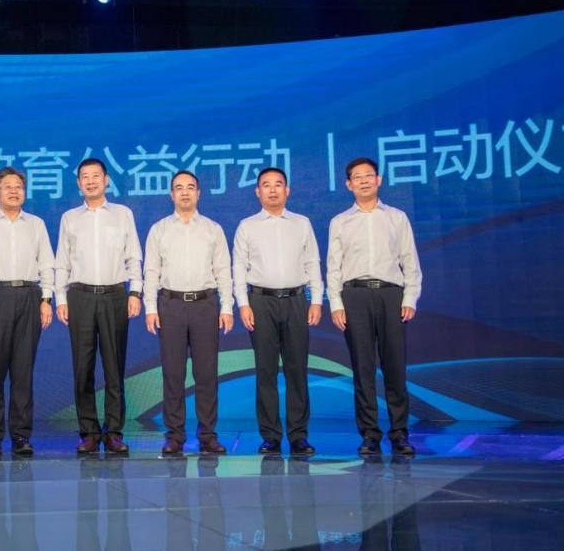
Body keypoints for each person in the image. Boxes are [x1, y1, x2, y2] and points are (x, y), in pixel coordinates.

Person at [327, 157, 422, 456]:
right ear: (349, 185)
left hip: (390, 295)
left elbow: (410, 260)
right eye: (358, 177)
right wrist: (336, 303)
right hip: (354, 296)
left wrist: (410, 297)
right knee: (363, 368)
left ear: (379, 180)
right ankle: (369, 434)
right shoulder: (340, 221)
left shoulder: (396, 217)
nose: (364, 181)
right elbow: (333, 267)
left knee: (395, 367)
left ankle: (399, 433)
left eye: (369, 175)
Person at [0, 167, 55, 457]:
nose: (14, 191)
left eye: (19, 186)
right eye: (8, 187)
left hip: (29, 295)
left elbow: (46, 264)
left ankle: (21, 435)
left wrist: (46, 299)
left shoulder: (36, 224)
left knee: (23, 370)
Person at [143, 170, 234, 456]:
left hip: (205, 305)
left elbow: (223, 270)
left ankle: (208, 435)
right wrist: (150, 308)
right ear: (171, 194)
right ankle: (174, 435)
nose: (185, 192)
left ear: (199, 193)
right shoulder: (159, 229)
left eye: (190, 187)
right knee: (173, 373)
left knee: (206, 373)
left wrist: (227, 306)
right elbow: (151, 271)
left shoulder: (212, 229)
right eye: (179, 188)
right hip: (170, 305)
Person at [232, 167, 322, 456]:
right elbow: (238, 268)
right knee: (266, 371)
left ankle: (298, 436)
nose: (272, 190)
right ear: (257, 192)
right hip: (261, 302)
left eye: (278, 184)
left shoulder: (301, 223)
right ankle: (270, 435)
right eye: (266, 185)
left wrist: (316, 300)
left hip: (296, 301)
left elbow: (312, 263)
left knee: (297, 370)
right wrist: (243, 304)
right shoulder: (247, 226)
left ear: (287, 191)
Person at [55, 158, 143, 454]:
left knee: (114, 366)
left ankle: (114, 432)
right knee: (83, 367)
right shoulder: (70, 218)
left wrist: (135, 292)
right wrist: (60, 298)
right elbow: (62, 261)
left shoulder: (122, 214)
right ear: (78, 183)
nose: (91, 181)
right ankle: (89, 432)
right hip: (79, 296)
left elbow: (133, 255)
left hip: (114, 295)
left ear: (106, 180)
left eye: (96, 176)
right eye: (85, 177)